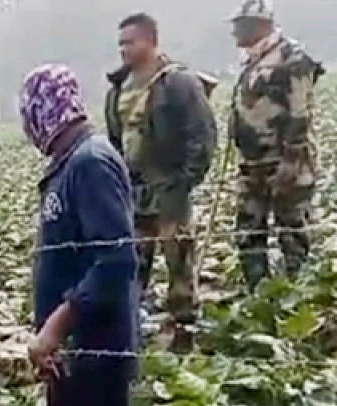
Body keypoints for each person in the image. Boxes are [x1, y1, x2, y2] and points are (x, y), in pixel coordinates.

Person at [20, 64, 143, 406]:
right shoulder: (69, 163)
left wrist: (55, 326)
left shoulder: (90, 162)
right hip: (71, 349)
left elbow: (116, 261)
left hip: (96, 345)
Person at [105, 12, 217, 352]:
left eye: (130, 42)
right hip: (134, 191)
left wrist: (185, 180)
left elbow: (203, 135)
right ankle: (131, 335)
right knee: (132, 264)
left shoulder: (178, 83)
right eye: (120, 43)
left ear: (151, 41)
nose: (124, 49)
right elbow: (114, 139)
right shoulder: (118, 89)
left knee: (179, 266)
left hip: (170, 189)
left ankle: (184, 338)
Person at [228, 0, 325, 290]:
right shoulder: (252, 60)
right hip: (253, 161)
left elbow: (300, 111)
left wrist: (292, 159)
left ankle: (297, 295)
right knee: (248, 229)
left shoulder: (292, 58)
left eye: (239, 27)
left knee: (291, 229)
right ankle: (257, 292)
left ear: (258, 25)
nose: (234, 34)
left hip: (284, 161)